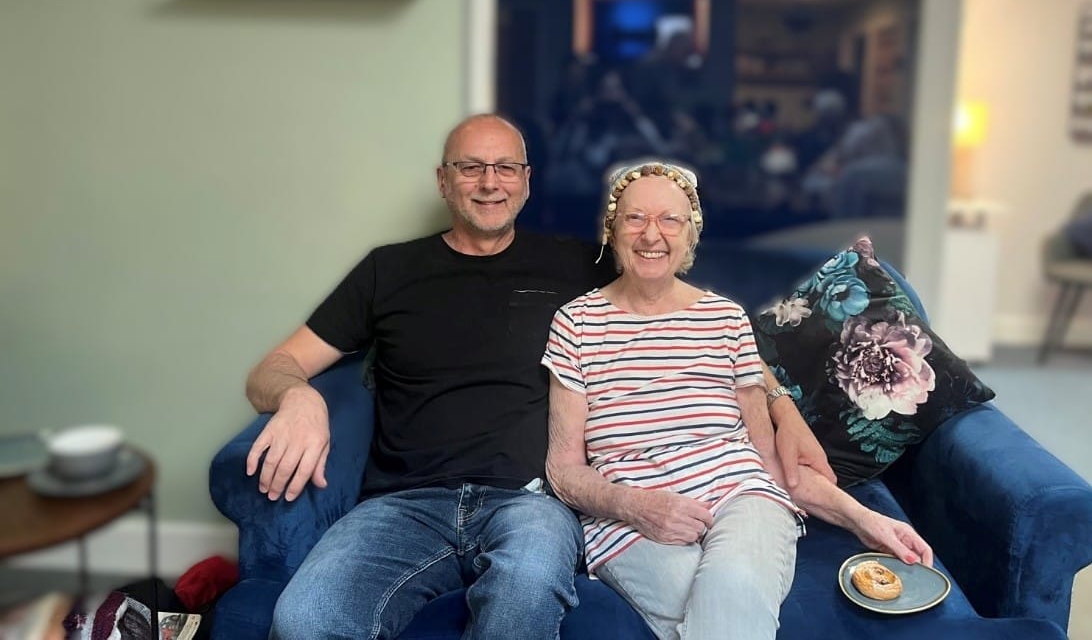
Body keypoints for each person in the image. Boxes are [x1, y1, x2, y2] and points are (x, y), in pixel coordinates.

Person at [242, 115, 834, 639]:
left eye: (505, 167)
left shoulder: (578, 264)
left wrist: (781, 408)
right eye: (470, 167)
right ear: (443, 180)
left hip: (530, 502)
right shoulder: (388, 271)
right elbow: (274, 368)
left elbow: (694, 318)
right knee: (305, 619)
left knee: (523, 597)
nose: (489, 182)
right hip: (404, 503)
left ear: (526, 181)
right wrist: (299, 398)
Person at [542, 160, 933, 640]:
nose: (652, 234)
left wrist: (866, 520)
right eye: (635, 218)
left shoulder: (724, 319)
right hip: (629, 521)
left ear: (691, 235)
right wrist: (636, 506)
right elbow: (563, 470)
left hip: (742, 498)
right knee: (711, 604)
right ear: (612, 229)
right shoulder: (576, 324)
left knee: (734, 587)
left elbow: (769, 462)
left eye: (670, 220)